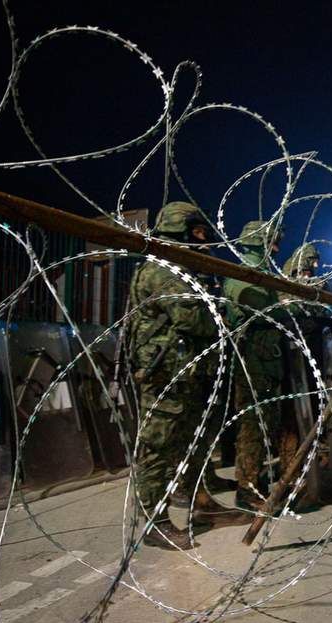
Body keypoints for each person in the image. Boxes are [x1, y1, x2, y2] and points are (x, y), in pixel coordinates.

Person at [128, 201, 222, 548]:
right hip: (164, 376)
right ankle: (154, 522)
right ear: (182, 231)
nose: (205, 240)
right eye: (199, 232)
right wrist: (220, 317)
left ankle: (201, 504)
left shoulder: (181, 269)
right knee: (158, 447)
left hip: (183, 372)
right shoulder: (164, 271)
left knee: (186, 443)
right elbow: (191, 318)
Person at [224, 219, 292, 511]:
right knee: (253, 427)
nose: (276, 247)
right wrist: (285, 307)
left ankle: (256, 479)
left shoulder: (261, 272)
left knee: (264, 424)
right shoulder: (245, 273)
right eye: (272, 241)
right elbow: (251, 302)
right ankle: (247, 488)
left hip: (266, 362)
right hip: (253, 362)